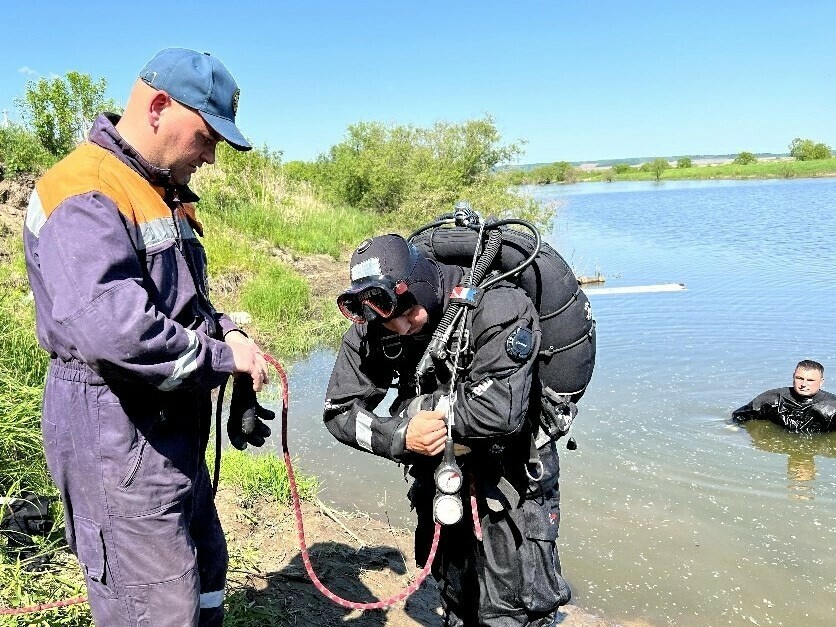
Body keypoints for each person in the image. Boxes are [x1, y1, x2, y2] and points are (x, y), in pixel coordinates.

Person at [23, 48, 273, 626]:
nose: (211, 155)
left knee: (205, 573)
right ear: (159, 106)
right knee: (156, 607)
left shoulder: (156, 189)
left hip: (167, 430)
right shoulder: (83, 189)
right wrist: (219, 359)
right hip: (115, 434)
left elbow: (180, 303)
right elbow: (118, 333)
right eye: (207, 136)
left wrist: (230, 335)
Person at [323, 233, 571, 626]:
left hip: (510, 479)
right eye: (387, 321)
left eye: (407, 314)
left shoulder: (498, 307)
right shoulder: (376, 325)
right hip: (440, 478)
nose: (400, 328)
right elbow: (339, 412)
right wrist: (400, 437)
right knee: (456, 597)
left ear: (422, 284)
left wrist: (424, 413)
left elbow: (500, 412)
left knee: (513, 610)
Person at [732, 360, 836, 432]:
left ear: (821, 382)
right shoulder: (772, 399)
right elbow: (739, 416)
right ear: (793, 377)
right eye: (799, 378)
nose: (804, 384)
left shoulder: (832, 408)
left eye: (810, 380)